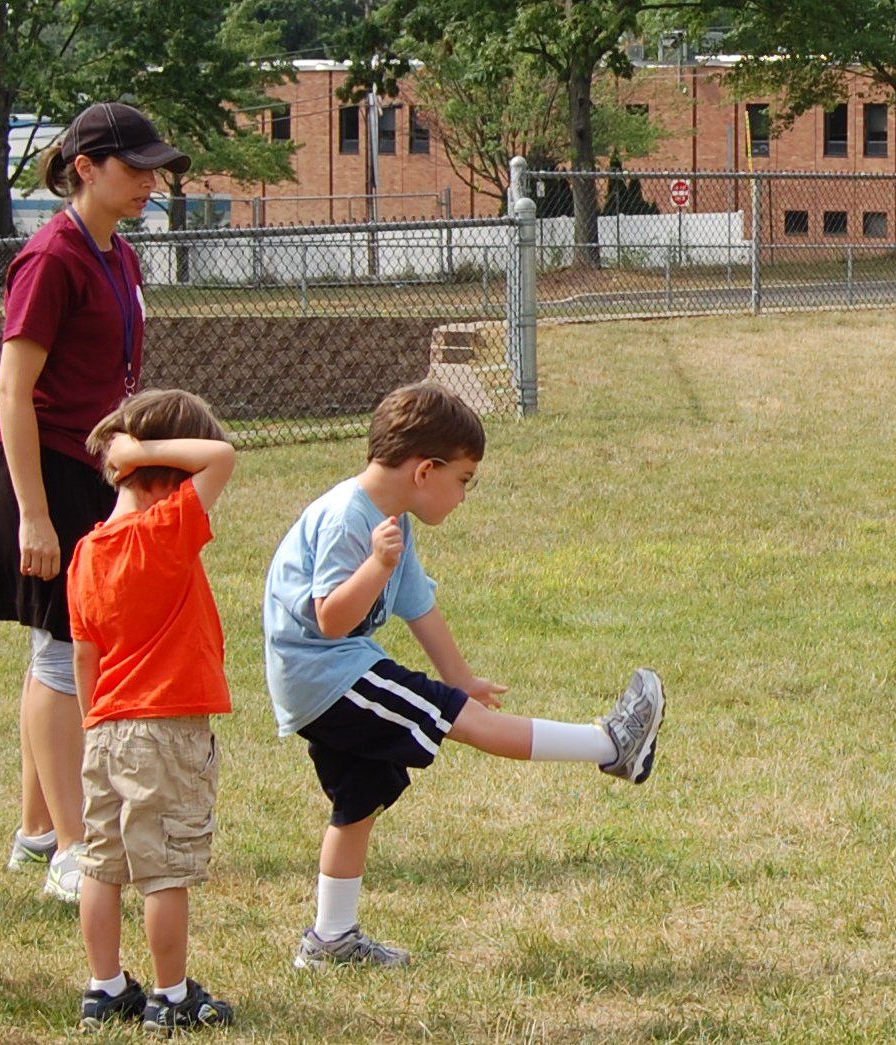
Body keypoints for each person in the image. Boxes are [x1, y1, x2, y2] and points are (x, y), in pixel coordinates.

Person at [264, 383, 666, 968]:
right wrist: (376, 566)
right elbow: (329, 620)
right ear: (426, 470)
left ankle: (331, 939)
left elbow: (418, 605)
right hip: (327, 676)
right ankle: (611, 744)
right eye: (464, 480)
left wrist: (462, 677)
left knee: (358, 802)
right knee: (462, 721)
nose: (463, 496)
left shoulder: (391, 517)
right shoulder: (350, 519)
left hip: (331, 675)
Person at [0, 102, 191, 902]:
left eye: (154, 168)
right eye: (135, 167)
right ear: (85, 167)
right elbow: (12, 393)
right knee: (61, 653)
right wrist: (35, 515)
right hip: (41, 472)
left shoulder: (116, 252)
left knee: (59, 647)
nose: (151, 181)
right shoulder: (51, 257)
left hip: (90, 469)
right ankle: (73, 849)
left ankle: (36, 833)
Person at [61, 390, 239, 1034]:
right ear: (173, 477)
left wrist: (93, 725)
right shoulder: (165, 531)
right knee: (164, 870)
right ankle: (171, 994)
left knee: (102, 865)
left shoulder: (86, 551)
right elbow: (223, 455)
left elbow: (85, 656)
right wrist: (140, 450)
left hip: (104, 728)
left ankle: (105, 986)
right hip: (165, 730)